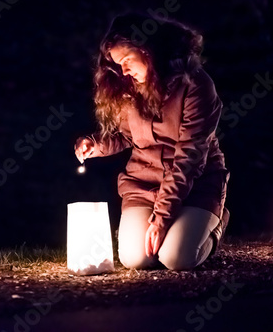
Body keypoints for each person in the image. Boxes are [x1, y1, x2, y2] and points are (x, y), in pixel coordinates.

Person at [74, 14, 230, 271]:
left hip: (195, 185)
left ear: (147, 49)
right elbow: (126, 135)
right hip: (143, 184)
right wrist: (95, 145)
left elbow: (189, 160)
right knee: (136, 259)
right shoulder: (131, 87)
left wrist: (162, 218)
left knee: (177, 258)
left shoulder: (197, 86)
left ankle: (215, 224)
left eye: (125, 60)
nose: (123, 71)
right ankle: (181, 227)